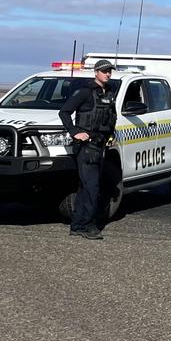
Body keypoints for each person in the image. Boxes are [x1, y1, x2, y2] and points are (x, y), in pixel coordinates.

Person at [59, 59, 118, 239]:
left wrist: (110, 135)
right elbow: (64, 112)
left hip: (100, 146)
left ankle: (77, 225)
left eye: (109, 71)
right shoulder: (85, 92)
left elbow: (110, 117)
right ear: (96, 72)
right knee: (92, 188)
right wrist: (75, 132)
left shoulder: (109, 93)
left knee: (87, 189)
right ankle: (86, 225)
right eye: (104, 71)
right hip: (86, 147)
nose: (108, 74)